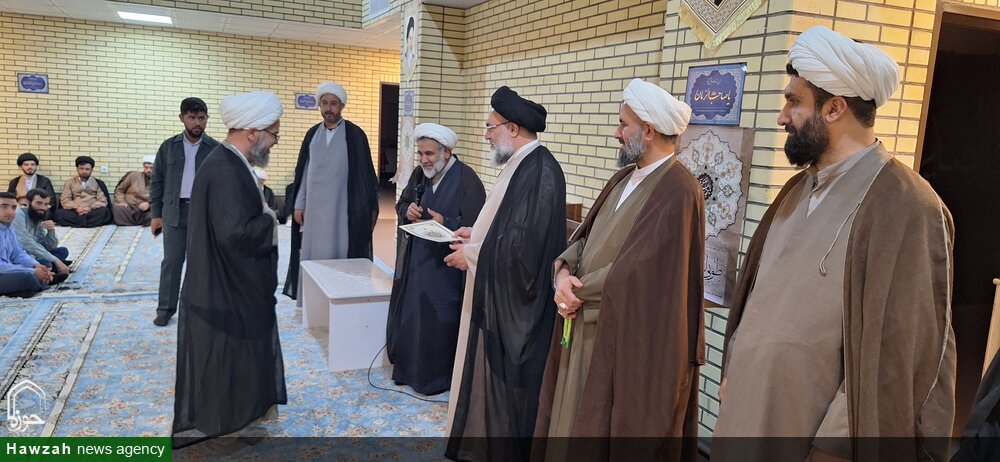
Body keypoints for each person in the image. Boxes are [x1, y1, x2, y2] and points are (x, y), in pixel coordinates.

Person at [713, 26, 956, 461]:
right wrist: (735, 368)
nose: (782, 117)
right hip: (746, 411)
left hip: (808, 436)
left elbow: (901, 354)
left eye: (793, 101)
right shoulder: (796, 189)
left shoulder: (907, 206)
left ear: (834, 108)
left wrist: (835, 447)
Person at [533, 79, 706, 461]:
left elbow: (643, 271)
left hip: (620, 337)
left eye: (623, 124)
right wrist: (563, 274)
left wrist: (575, 289)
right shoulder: (622, 178)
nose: (616, 133)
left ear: (648, 131)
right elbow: (584, 238)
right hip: (581, 319)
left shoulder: (679, 189)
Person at [444, 86, 566, 461]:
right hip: (492, 287)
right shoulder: (521, 163)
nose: (486, 135)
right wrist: (474, 235)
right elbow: (505, 226)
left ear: (512, 128)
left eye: (490, 126)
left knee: (508, 397)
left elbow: (525, 251)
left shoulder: (541, 171)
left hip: (518, 309)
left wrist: (473, 256)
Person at [172, 91, 286, 450]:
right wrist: (269, 219)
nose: (275, 142)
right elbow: (234, 233)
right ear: (252, 132)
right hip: (223, 288)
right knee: (227, 363)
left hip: (229, 283)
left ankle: (241, 421)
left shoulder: (231, 161)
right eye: (273, 134)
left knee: (241, 360)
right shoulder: (224, 168)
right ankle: (225, 431)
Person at [386, 123, 486, 395]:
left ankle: (436, 380)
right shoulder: (420, 174)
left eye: (429, 154)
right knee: (415, 316)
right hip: (418, 263)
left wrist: (447, 222)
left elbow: (478, 227)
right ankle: (409, 372)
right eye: (421, 153)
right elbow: (402, 203)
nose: (424, 159)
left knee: (439, 322)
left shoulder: (467, 180)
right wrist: (408, 211)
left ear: (447, 152)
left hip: (447, 270)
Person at [284, 81, 378, 300]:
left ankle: (339, 299)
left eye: (333, 103)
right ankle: (313, 300)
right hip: (314, 211)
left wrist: (362, 211)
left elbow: (365, 177)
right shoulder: (312, 134)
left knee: (340, 255)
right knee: (313, 256)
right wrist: (299, 204)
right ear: (319, 105)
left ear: (342, 105)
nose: (329, 108)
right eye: (324, 103)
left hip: (342, 210)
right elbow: (304, 172)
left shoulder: (354, 135)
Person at [149, 97, 220, 327]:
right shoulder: (168, 147)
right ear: (182, 118)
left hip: (203, 214)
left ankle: (201, 309)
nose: (197, 123)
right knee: (172, 262)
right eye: (191, 117)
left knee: (202, 264)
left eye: (201, 118)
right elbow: (157, 182)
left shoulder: (215, 149)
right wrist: (156, 215)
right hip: (174, 212)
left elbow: (222, 185)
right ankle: (165, 309)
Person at [1, 192, 64, 298]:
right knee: (28, 278)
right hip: (3, 269)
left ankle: (42, 279)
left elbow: (18, 253)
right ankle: (41, 282)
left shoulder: (8, 227)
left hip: (8, 267)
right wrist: (32, 271)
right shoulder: (19, 217)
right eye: (4, 207)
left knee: (43, 265)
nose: (10, 212)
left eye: (13, 207)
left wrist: (35, 265)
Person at [13, 188, 71, 275]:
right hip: (22, 254)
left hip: (34, 254)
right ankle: (51, 270)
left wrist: (51, 231)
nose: (43, 207)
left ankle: (52, 268)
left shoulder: (37, 215)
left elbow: (49, 246)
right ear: (28, 202)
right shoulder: (19, 214)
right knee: (46, 262)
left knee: (62, 251)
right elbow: (26, 243)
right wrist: (55, 260)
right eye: (39, 203)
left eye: (46, 204)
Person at [55, 156, 112, 228]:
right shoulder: (70, 182)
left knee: (105, 212)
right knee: (59, 213)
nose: (84, 171)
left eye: (87, 169)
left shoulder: (98, 183)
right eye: (81, 168)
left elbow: (103, 200)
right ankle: (88, 222)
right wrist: (77, 208)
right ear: (77, 169)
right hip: (75, 212)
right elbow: (65, 200)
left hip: (92, 211)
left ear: (91, 170)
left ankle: (78, 222)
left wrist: (90, 208)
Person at [112, 156, 155, 226]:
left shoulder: (161, 180)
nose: (148, 170)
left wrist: (149, 205)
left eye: (151, 168)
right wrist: (122, 201)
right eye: (146, 167)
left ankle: (136, 221)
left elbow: (163, 198)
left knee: (158, 214)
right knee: (118, 209)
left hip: (146, 209)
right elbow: (120, 190)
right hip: (130, 206)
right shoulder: (133, 175)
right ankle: (136, 221)